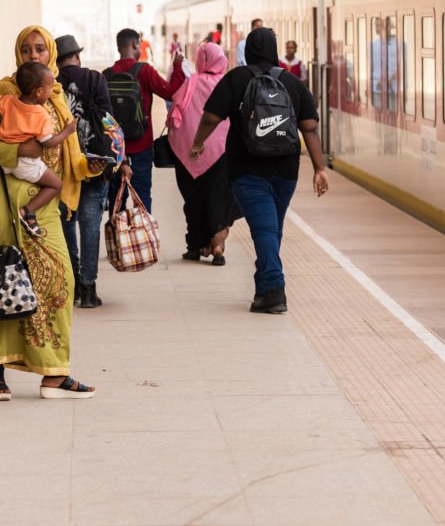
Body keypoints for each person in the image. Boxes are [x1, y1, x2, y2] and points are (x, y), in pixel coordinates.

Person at [0, 25, 105, 400]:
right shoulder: (3, 93)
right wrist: (21, 153)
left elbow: (63, 149)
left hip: (43, 207)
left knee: (59, 282)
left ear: (50, 53)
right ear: (18, 55)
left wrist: (87, 166)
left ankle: (53, 374)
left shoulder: (54, 96)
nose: (33, 55)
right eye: (26, 50)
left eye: (40, 49)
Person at [190, 27, 328, 314]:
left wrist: (198, 143)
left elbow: (211, 117)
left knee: (265, 230)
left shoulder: (236, 79)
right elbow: (310, 129)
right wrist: (319, 168)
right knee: (271, 230)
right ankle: (264, 288)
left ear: (249, 50)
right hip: (286, 170)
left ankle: (275, 291)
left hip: (247, 169)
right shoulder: (292, 82)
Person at [55, 34, 132, 308]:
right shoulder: (95, 78)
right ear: (77, 55)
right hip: (95, 163)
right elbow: (109, 120)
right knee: (90, 225)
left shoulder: (51, 84)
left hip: (64, 166)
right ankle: (88, 289)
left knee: (66, 222)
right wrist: (121, 159)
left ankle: (73, 281)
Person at [0, 62, 77, 238]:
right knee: (56, 185)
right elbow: (48, 142)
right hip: (25, 165)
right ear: (38, 92)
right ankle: (26, 212)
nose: (50, 91)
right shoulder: (40, 114)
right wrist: (66, 132)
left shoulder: (8, 101)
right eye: (49, 88)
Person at [167, 42, 240, 265]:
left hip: (189, 153)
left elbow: (173, 115)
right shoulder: (228, 85)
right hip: (223, 154)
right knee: (219, 199)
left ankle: (195, 246)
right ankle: (217, 244)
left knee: (193, 199)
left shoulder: (191, 84)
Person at [106, 28, 186, 214]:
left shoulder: (107, 75)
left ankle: (117, 241)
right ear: (136, 45)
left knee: (116, 201)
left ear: (118, 47)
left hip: (115, 149)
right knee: (142, 199)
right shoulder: (145, 71)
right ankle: (143, 241)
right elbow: (171, 92)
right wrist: (178, 67)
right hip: (141, 146)